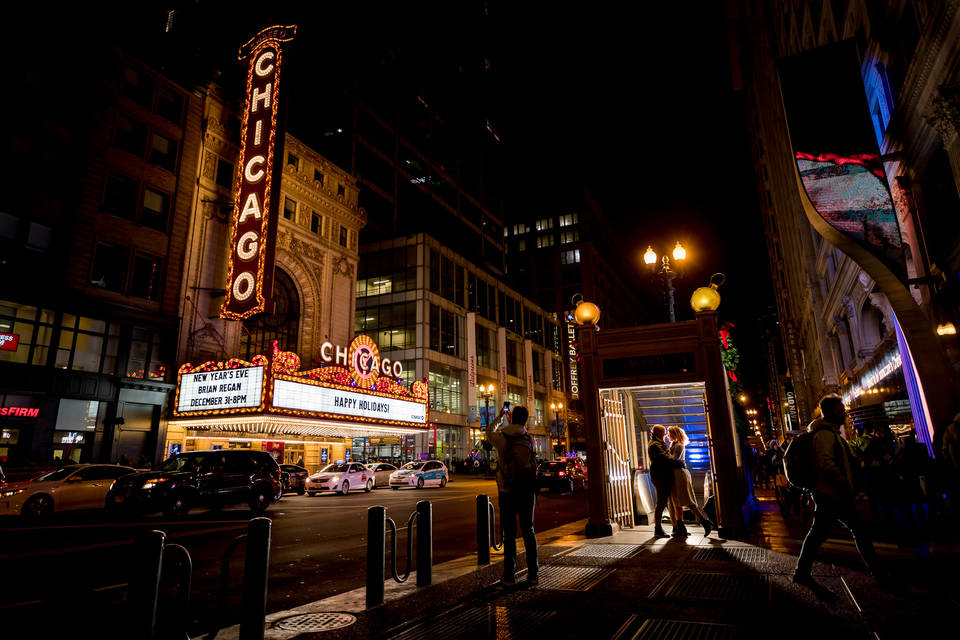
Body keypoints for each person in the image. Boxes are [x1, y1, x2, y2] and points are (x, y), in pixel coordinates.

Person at [794, 396, 884, 595]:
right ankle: (880, 573)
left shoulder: (830, 433)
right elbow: (826, 463)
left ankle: (802, 571)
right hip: (831, 493)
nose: (843, 413)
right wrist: (843, 483)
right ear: (829, 413)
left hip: (830, 492)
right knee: (857, 531)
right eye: (839, 410)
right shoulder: (824, 434)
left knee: (820, 533)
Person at [485, 405, 538, 586]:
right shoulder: (530, 439)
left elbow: (488, 431)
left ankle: (509, 575)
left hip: (507, 491)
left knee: (509, 533)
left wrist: (500, 418)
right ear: (525, 420)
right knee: (528, 531)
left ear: (511, 417)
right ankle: (533, 573)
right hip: (527, 491)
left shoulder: (502, 438)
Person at [666, 426, 715, 537]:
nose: (668, 436)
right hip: (676, 474)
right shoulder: (674, 445)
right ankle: (681, 527)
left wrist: (664, 454)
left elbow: (674, 459)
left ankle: (705, 522)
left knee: (686, 500)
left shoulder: (679, 446)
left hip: (679, 474)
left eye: (669, 434)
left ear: (674, 434)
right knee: (677, 502)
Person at [648, 424, 683, 537]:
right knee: (662, 502)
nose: (665, 435)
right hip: (660, 476)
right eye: (663, 433)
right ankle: (658, 529)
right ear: (658, 433)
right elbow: (664, 458)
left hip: (662, 476)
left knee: (666, 502)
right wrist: (679, 463)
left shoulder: (658, 443)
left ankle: (675, 527)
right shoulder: (655, 445)